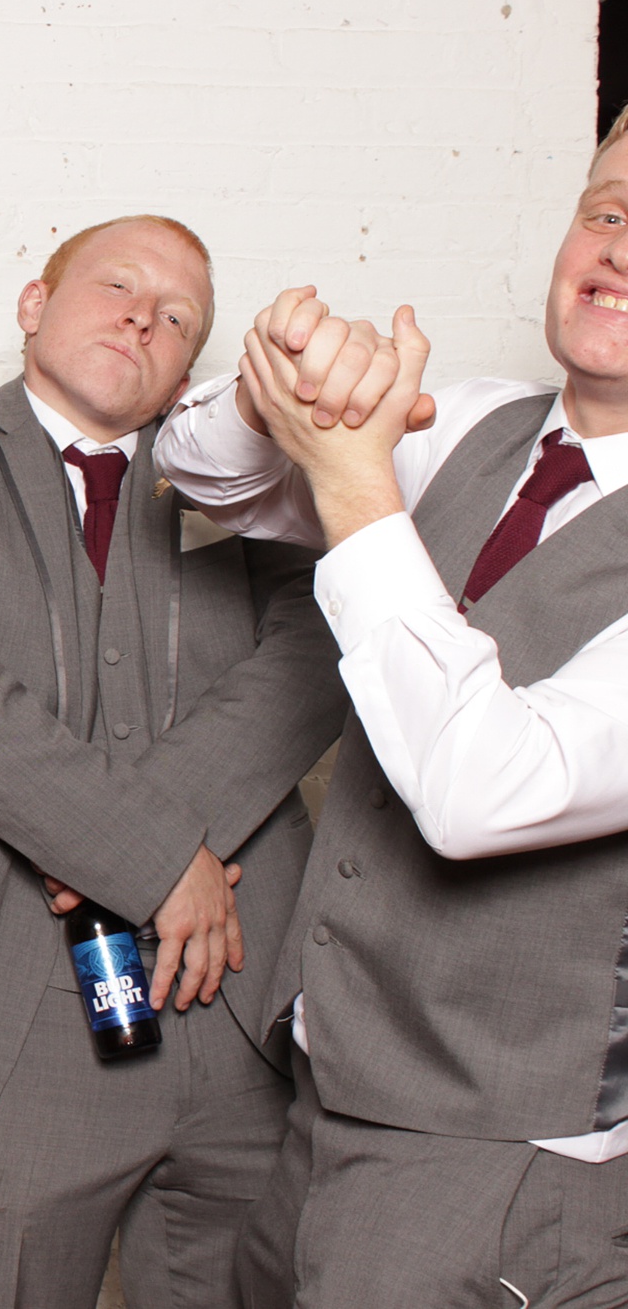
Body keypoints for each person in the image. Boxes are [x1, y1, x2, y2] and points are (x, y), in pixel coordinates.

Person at [151, 110, 628, 1309]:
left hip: (492, 1152)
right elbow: (199, 468)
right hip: (320, 1097)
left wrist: (353, 474)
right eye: (608, 211)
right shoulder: (470, 422)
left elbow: (480, 789)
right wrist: (278, 388)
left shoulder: (400, 456)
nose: (617, 250)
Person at [0, 215, 349, 1307]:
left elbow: (314, 656)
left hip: (235, 1009)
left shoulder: (248, 484)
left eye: (178, 318)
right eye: (117, 285)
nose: (143, 316)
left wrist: (158, 848)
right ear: (33, 304)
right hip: (15, 1022)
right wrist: (162, 857)